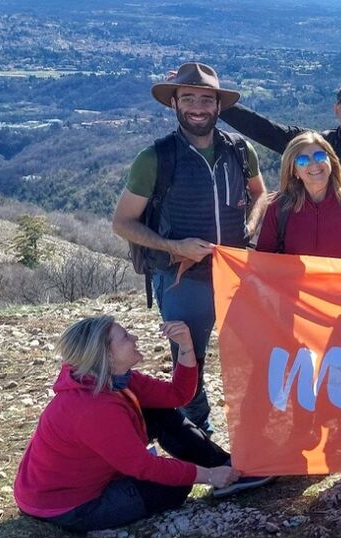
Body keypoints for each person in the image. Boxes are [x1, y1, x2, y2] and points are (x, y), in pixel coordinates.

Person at [111, 62, 266, 432]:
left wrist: (249, 227)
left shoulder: (240, 151)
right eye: (189, 98)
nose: (198, 107)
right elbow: (122, 222)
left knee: (254, 353)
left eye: (206, 99)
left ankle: (254, 431)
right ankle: (200, 435)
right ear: (175, 103)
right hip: (182, 279)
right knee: (188, 358)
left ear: (218, 105)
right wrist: (173, 245)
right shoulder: (156, 158)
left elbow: (261, 194)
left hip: (235, 275)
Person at [13, 317, 269, 534]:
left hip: (71, 480)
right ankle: (220, 473)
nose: (134, 338)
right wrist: (206, 476)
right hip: (65, 504)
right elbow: (144, 467)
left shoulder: (115, 379)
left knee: (159, 413)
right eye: (125, 337)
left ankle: (226, 467)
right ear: (107, 355)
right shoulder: (93, 408)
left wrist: (186, 347)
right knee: (174, 487)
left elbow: (177, 395)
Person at [220, 81, 341, 202]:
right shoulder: (319, 143)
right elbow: (269, 131)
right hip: (328, 234)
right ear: (337, 109)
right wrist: (219, 104)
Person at [255, 132, 341, 258]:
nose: (314, 164)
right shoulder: (279, 208)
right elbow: (264, 257)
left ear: (331, 160)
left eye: (319, 156)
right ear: (294, 170)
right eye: (303, 160)